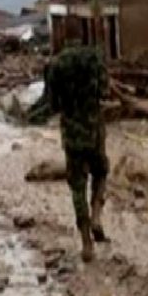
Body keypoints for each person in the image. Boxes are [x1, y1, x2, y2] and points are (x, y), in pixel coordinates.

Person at [45, 45, 110, 262]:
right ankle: (97, 216)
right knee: (101, 172)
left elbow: (52, 104)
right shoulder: (94, 57)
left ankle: (86, 242)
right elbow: (104, 91)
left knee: (77, 186)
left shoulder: (56, 65)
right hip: (93, 130)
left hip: (72, 134)